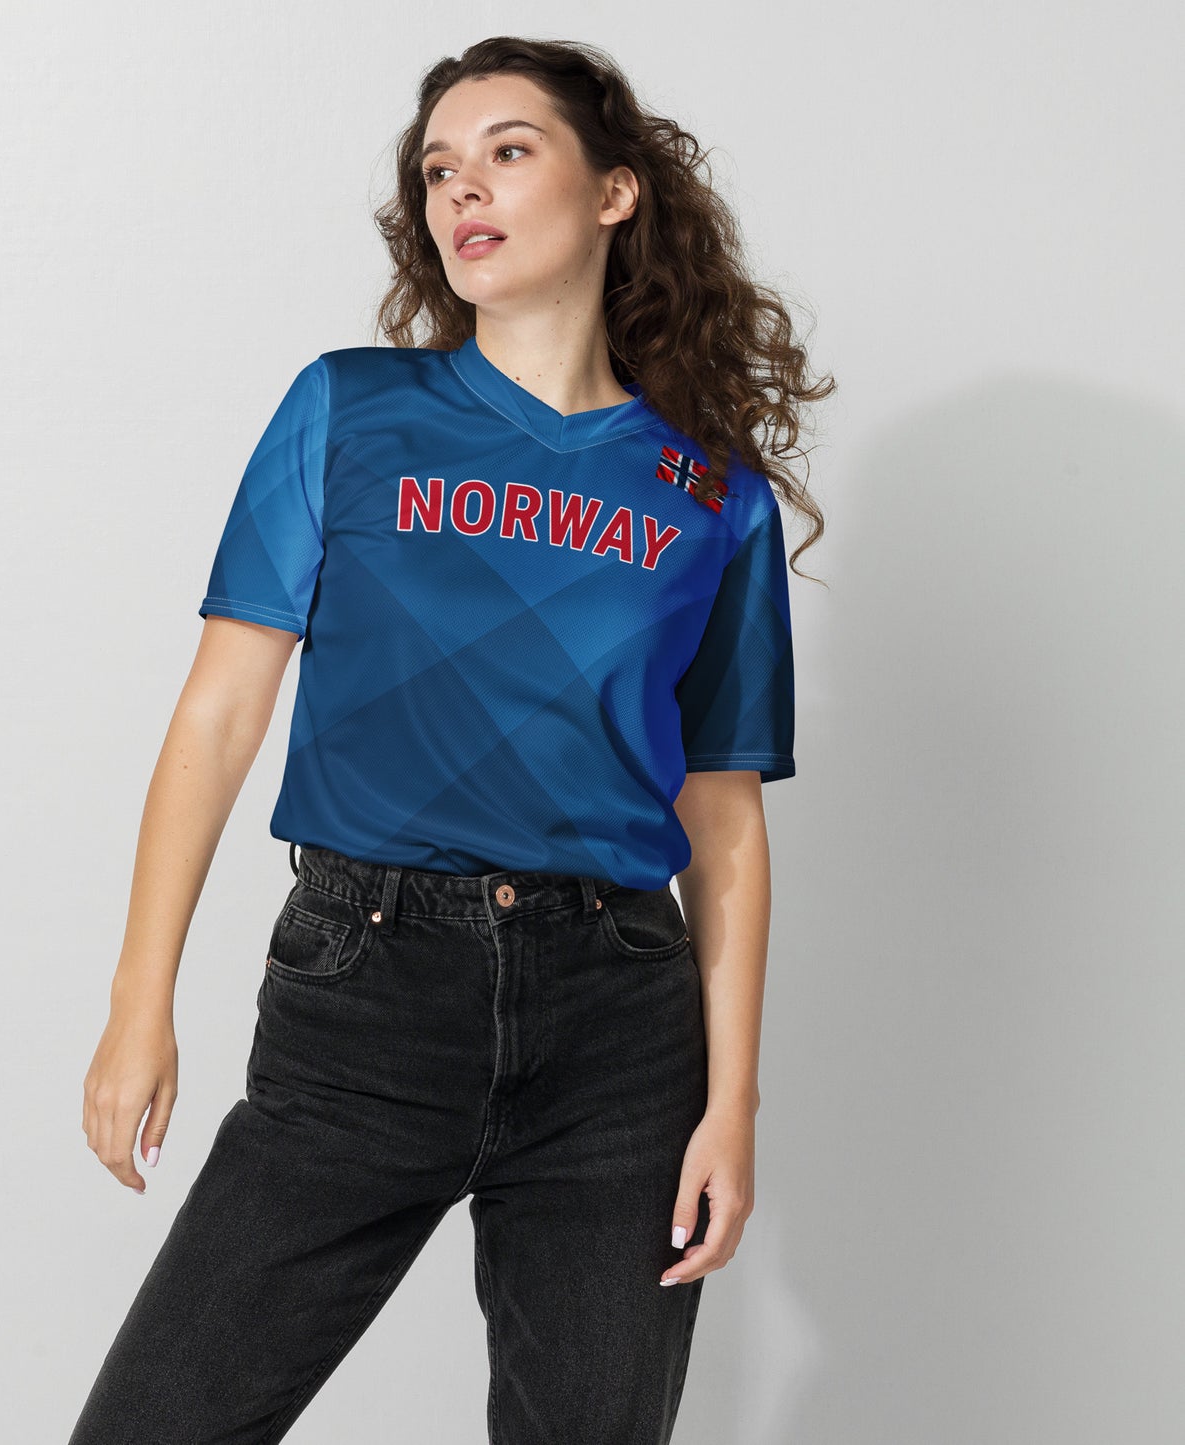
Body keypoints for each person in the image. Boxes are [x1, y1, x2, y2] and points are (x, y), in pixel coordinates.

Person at [68, 34, 832, 1445]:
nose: (460, 189)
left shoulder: (709, 496)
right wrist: (139, 996)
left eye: (507, 151)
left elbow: (722, 817)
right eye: (436, 169)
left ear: (614, 192)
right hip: (366, 990)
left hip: (618, 1028)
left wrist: (730, 1102)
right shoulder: (350, 410)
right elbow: (219, 714)